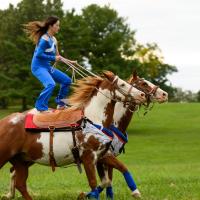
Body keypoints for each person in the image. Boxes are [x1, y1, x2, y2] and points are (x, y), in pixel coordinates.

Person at [24, 16, 75, 112]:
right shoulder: (44, 39)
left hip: (47, 67)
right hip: (38, 67)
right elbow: (39, 55)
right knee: (51, 84)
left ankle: (60, 104)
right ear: (51, 26)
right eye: (57, 25)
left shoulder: (54, 40)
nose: (58, 27)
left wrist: (70, 62)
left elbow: (58, 56)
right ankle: (40, 107)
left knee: (66, 80)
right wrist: (54, 58)